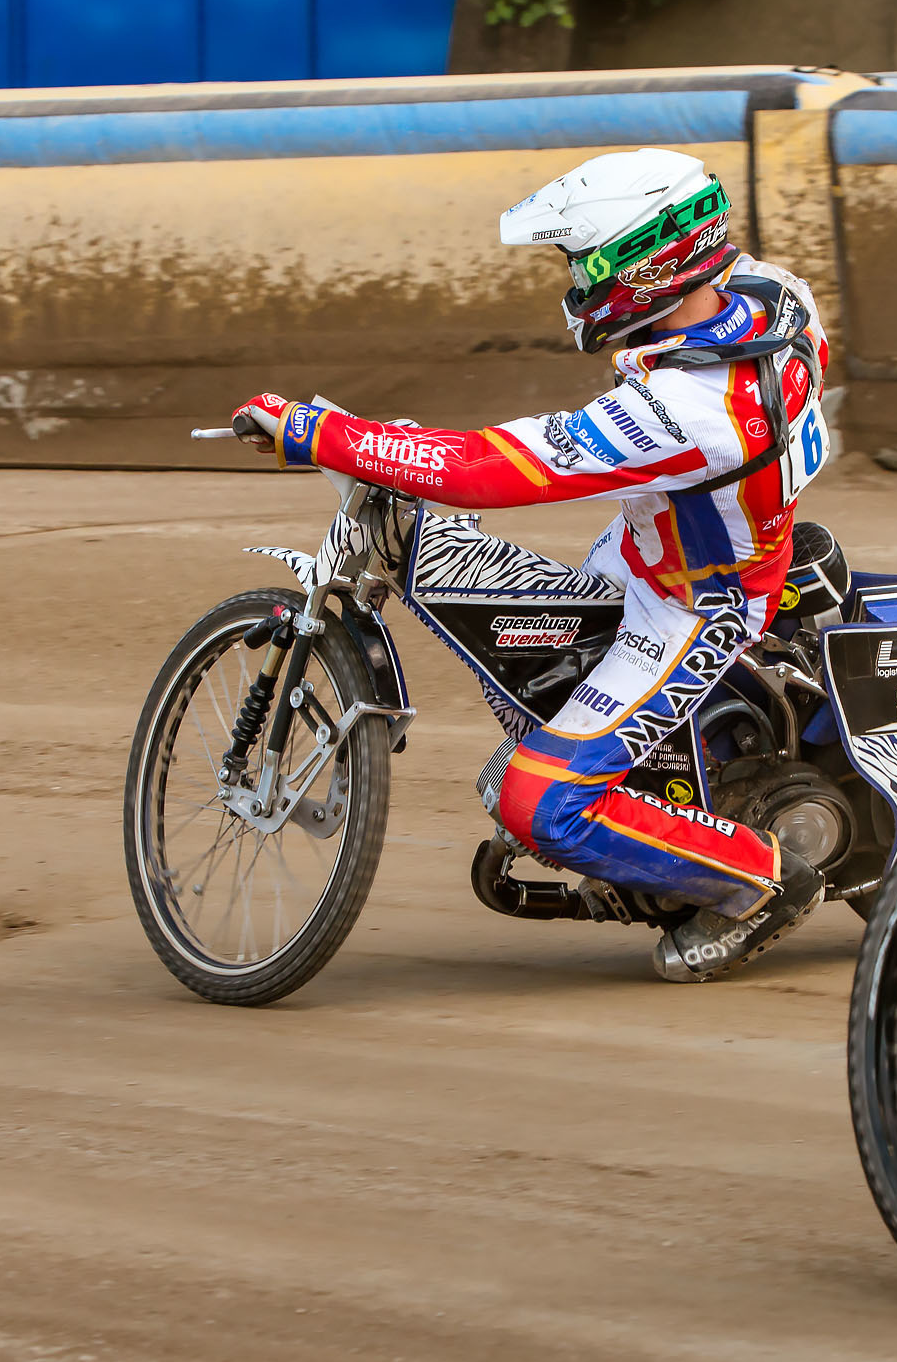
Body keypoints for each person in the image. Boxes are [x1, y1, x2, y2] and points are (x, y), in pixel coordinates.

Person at [229, 148, 832, 983]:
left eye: (589, 262)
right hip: (660, 545)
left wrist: (317, 432)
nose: (578, 281)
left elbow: (492, 468)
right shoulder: (773, 297)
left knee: (537, 801)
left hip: (695, 604)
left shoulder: (696, 410)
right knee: (515, 647)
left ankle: (763, 883)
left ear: (649, 261)